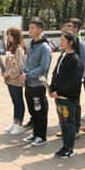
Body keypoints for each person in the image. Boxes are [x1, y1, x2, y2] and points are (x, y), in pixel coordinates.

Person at [49, 31, 83, 158]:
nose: (61, 42)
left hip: (68, 97)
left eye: (63, 40)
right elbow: (55, 73)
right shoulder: (62, 55)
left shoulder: (75, 59)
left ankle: (69, 148)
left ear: (70, 42)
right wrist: (52, 88)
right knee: (63, 122)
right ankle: (65, 146)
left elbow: (74, 82)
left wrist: (59, 92)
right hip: (59, 96)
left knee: (69, 123)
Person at [20, 17, 53, 146]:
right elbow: (27, 60)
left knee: (39, 110)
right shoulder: (32, 43)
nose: (30, 30)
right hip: (29, 83)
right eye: (29, 27)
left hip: (38, 84)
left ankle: (41, 136)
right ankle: (35, 132)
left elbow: (43, 67)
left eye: (32, 28)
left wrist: (28, 75)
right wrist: (23, 71)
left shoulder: (45, 47)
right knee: (32, 110)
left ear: (40, 30)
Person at [1, 27, 26, 136]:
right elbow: (8, 63)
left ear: (15, 36)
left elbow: (19, 66)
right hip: (9, 80)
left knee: (19, 101)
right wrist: (3, 71)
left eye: (10, 35)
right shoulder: (10, 48)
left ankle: (19, 124)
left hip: (16, 79)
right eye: (7, 35)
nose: (8, 37)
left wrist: (9, 73)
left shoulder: (19, 49)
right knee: (14, 102)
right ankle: (15, 121)